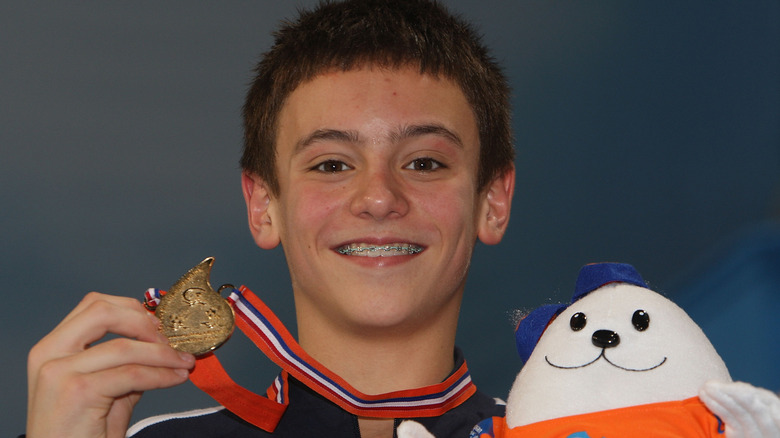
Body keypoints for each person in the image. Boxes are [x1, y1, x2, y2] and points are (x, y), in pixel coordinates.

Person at [24, 0, 515, 437]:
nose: (379, 198)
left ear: (492, 201)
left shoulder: (568, 431)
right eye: (332, 165)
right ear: (263, 207)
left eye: (425, 163)